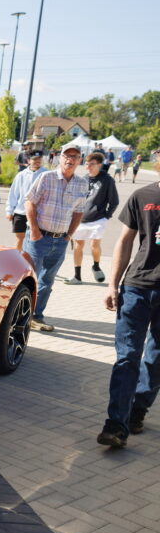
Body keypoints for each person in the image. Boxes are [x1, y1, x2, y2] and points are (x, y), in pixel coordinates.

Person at [98, 149, 160, 447]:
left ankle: (138, 409)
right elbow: (124, 241)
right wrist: (112, 284)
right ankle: (116, 424)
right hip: (136, 287)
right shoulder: (141, 195)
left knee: (156, 356)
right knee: (127, 357)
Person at [23, 144, 90, 332]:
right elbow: (30, 202)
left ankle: (36, 316)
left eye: (75, 156)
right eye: (66, 155)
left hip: (60, 240)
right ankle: (20, 313)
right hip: (39, 237)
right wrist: (35, 230)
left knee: (47, 281)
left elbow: (78, 212)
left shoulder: (82, 183)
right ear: (59, 158)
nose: (70, 159)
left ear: (80, 160)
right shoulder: (47, 177)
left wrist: (68, 235)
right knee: (30, 278)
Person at [66, 152, 119, 285]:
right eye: (87, 164)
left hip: (99, 219)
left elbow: (114, 201)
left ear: (100, 165)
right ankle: (77, 277)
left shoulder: (107, 180)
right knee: (78, 246)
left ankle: (96, 265)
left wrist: (106, 216)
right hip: (81, 219)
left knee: (94, 245)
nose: (88, 166)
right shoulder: (83, 179)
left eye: (92, 164)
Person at [6, 150, 46, 248]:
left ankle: (30, 261)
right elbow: (13, 194)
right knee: (20, 238)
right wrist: (9, 211)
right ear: (28, 160)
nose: (37, 161)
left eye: (39, 159)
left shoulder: (46, 174)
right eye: (34, 159)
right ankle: (18, 261)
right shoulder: (21, 175)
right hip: (21, 212)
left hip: (38, 214)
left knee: (34, 239)